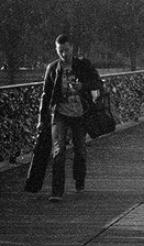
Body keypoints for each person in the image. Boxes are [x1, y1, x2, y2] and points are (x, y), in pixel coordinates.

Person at [25, 34, 102, 202]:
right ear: (56, 50)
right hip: (59, 115)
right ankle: (57, 192)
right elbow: (45, 95)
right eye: (61, 51)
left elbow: (98, 83)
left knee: (80, 152)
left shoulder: (83, 65)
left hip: (80, 114)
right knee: (58, 152)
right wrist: (41, 119)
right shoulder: (52, 68)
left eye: (66, 50)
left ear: (72, 48)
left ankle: (79, 180)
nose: (64, 54)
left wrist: (83, 86)